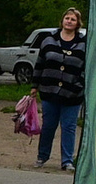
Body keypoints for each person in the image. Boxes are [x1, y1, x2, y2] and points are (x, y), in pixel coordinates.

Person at [33, 9, 88, 169]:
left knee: (69, 127)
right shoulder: (49, 40)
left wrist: (80, 84)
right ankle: (42, 157)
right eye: (67, 18)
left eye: (73, 19)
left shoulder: (84, 44)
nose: (69, 21)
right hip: (49, 91)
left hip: (73, 93)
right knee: (49, 125)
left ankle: (67, 161)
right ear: (62, 20)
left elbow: (88, 67)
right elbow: (40, 64)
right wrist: (34, 86)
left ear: (78, 23)